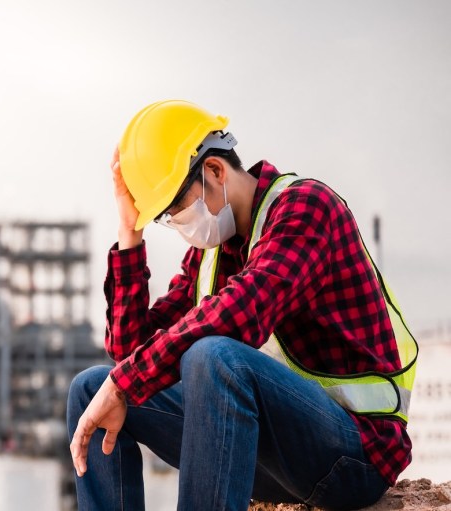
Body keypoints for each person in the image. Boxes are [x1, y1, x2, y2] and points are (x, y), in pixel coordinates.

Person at [67, 100, 417, 511]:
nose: (180, 226)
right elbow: (131, 354)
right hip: (269, 456)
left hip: (353, 455)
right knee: (90, 387)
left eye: (178, 208)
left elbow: (240, 314)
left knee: (214, 355)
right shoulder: (214, 252)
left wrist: (125, 381)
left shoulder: (306, 208)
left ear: (215, 171)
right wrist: (130, 234)